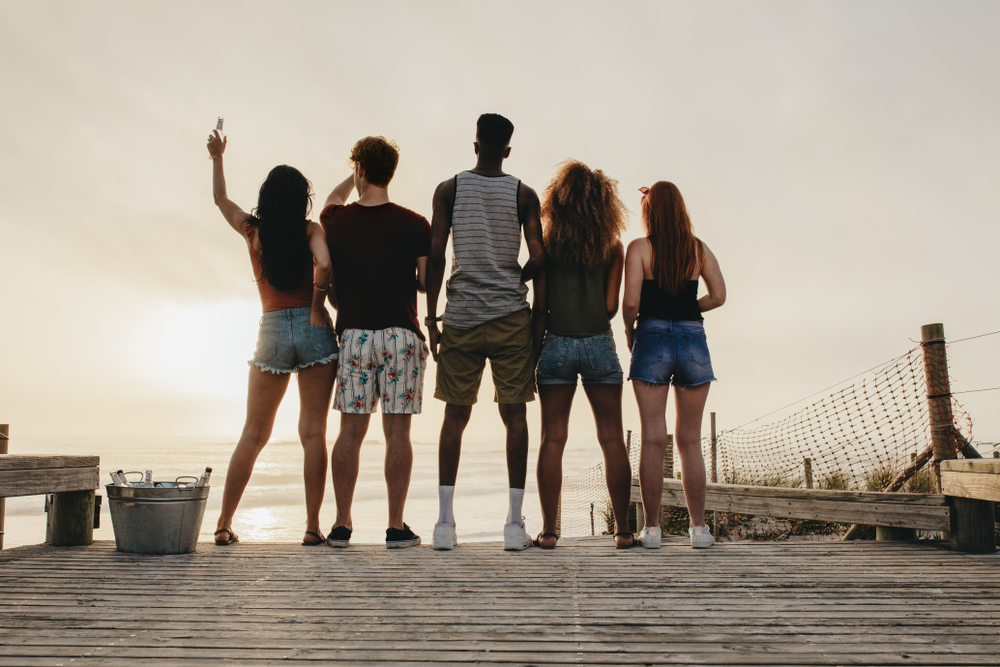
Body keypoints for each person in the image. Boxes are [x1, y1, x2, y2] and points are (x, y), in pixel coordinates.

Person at [206, 129, 338, 547]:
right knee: (313, 432)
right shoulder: (309, 229)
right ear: (302, 200)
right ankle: (313, 527)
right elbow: (325, 263)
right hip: (315, 330)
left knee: (254, 433)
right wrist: (317, 305)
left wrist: (217, 158)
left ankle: (225, 524)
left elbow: (221, 201)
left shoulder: (252, 231)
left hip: (273, 328)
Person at [426, 113, 545, 551]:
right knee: (515, 416)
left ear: (475, 144)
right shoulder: (523, 193)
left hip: (461, 317)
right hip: (511, 318)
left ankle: (444, 525)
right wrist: (516, 278)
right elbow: (539, 254)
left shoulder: (449, 189)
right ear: (508, 150)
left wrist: (430, 317)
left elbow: (437, 258)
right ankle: (514, 527)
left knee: (455, 416)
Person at [320, 136, 430, 550]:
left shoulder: (336, 219)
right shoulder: (416, 223)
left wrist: (353, 179)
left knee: (350, 432)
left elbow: (331, 198)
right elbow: (424, 282)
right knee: (397, 433)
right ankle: (395, 526)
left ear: (359, 169)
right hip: (400, 334)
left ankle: (342, 525)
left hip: (353, 335)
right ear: (392, 172)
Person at [531, 160, 634, 550]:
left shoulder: (547, 244)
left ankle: (550, 530)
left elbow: (540, 305)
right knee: (611, 439)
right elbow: (610, 306)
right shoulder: (612, 247)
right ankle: (623, 531)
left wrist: (532, 354)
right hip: (598, 344)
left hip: (555, 341)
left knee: (552, 439)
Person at [622, 181, 726, 549]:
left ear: (650, 211)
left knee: (652, 439)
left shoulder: (639, 249)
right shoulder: (697, 249)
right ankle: (699, 530)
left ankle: (651, 530)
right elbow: (719, 295)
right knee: (690, 441)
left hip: (651, 339)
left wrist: (629, 329)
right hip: (692, 340)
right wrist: (689, 310)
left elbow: (631, 303)